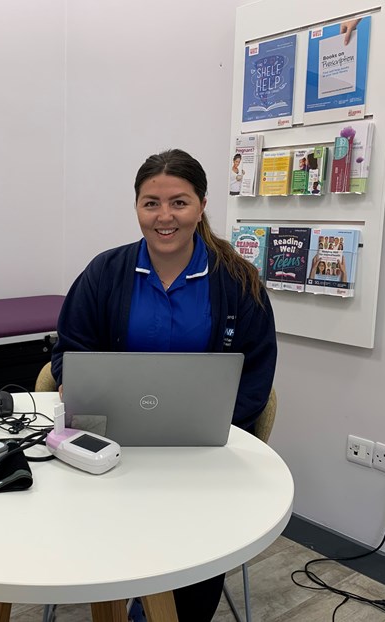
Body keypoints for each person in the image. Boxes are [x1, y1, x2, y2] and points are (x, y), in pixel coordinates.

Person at [51, 148, 277, 622]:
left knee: (204, 531)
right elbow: (69, 351)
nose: (164, 216)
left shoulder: (238, 280)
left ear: (201, 206)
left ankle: (161, 611)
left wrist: (218, 427)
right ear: (136, 207)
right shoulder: (104, 273)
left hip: (203, 447)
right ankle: (119, 590)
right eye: (150, 203)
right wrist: (81, 390)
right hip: (110, 438)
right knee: (73, 511)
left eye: (179, 202)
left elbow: (255, 371)